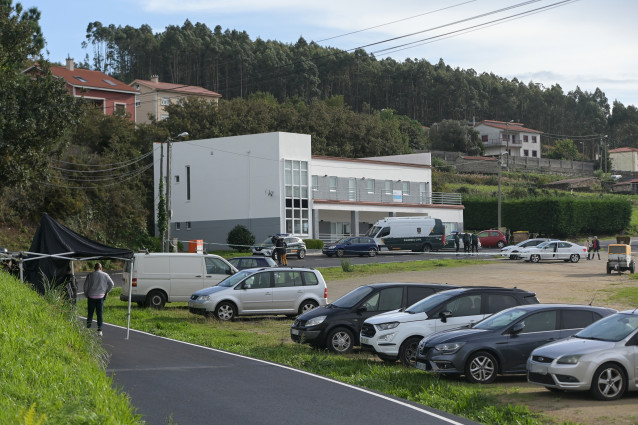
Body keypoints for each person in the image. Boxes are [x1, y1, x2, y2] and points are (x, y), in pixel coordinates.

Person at [84, 262, 114, 336]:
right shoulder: (105, 275)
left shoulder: (90, 275)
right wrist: (106, 291)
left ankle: (88, 328)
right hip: (100, 296)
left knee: (90, 313)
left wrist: (86, 294)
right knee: (99, 314)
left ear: (94, 268)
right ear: (101, 268)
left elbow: (85, 286)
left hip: (91, 296)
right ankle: (99, 330)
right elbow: (112, 284)